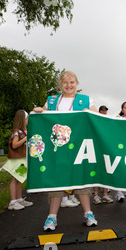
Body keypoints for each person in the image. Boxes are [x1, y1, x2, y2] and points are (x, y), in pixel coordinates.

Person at [33, 70, 98, 231]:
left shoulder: (86, 100)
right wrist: (39, 111)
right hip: (58, 149)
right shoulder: (52, 100)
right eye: (65, 82)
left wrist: (90, 113)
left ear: (77, 84)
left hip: (78, 147)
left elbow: (98, 118)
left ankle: (88, 213)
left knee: (81, 180)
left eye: (72, 82)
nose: (69, 85)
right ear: (60, 84)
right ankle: (52, 217)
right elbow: (41, 119)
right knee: (57, 182)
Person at [0, 110, 33, 210]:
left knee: (19, 179)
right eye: (26, 119)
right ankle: (13, 202)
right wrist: (25, 138)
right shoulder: (17, 132)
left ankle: (19, 199)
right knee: (14, 179)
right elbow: (14, 145)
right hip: (16, 160)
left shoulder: (22, 131)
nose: (27, 120)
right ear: (22, 119)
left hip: (21, 159)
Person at [93, 105, 114, 204]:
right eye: (102, 110)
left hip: (106, 150)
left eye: (105, 110)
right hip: (96, 150)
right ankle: (96, 196)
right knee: (96, 173)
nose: (104, 112)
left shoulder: (108, 121)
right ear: (99, 111)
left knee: (106, 172)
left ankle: (105, 195)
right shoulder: (95, 120)